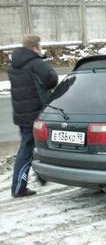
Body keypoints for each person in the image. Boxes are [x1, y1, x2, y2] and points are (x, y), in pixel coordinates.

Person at [8, 35, 58, 198]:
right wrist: (43, 61)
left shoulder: (14, 64)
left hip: (22, 114)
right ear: (36, 47)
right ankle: (18, 188)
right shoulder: (36, 63)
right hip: (35, 115)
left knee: (33, 147)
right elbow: (52, 80)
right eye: (40, 46)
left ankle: (41, 177)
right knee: (27, 150)